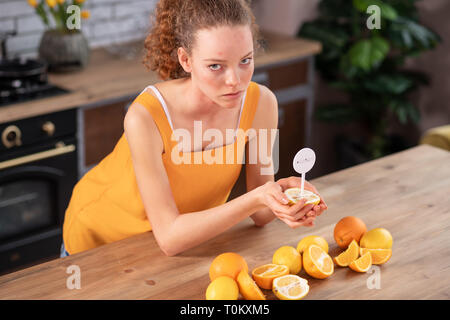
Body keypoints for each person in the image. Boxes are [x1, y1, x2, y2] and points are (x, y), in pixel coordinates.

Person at [61, 0, 327, 258]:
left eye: (245, 61)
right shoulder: (146, 116)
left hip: (173, 246)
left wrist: (284, 198)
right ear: (186, 60)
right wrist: (259, 198)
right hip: (100, 238)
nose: (235, 81)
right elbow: (170, 238)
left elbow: (260, 214)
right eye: (215, 66)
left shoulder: (262, 104)